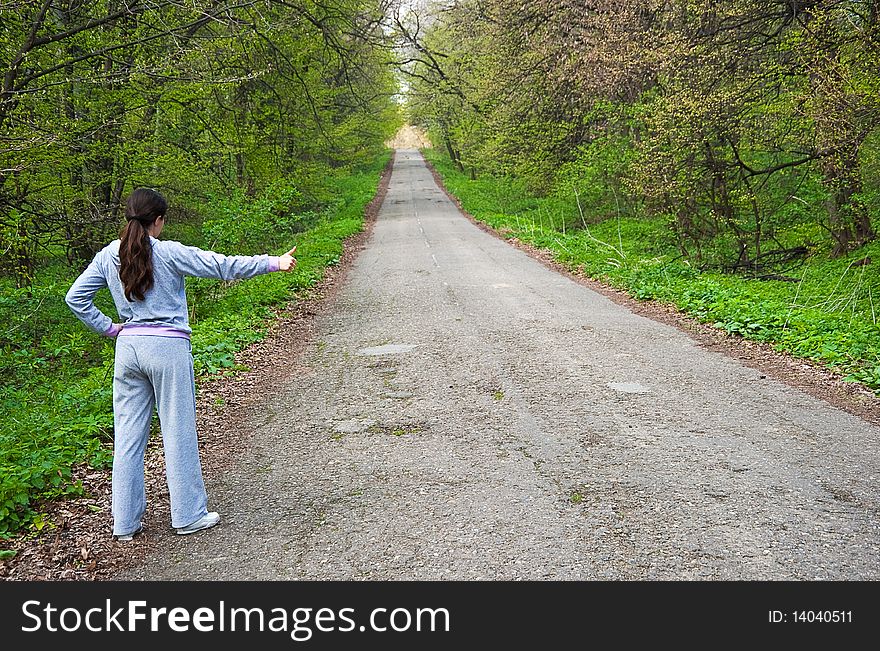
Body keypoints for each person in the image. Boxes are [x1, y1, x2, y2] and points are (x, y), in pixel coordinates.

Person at [65, 188, 297, 541]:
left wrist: (111, 328)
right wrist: (272, 262)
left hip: (128, 350)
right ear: (158, 221)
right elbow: (221, 265)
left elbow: (75, 298)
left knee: (128, 439)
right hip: (168, 348)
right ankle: (188, 515)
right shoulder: (170, 253)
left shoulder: (106, 257)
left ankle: (125, 523)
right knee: (177, 432)